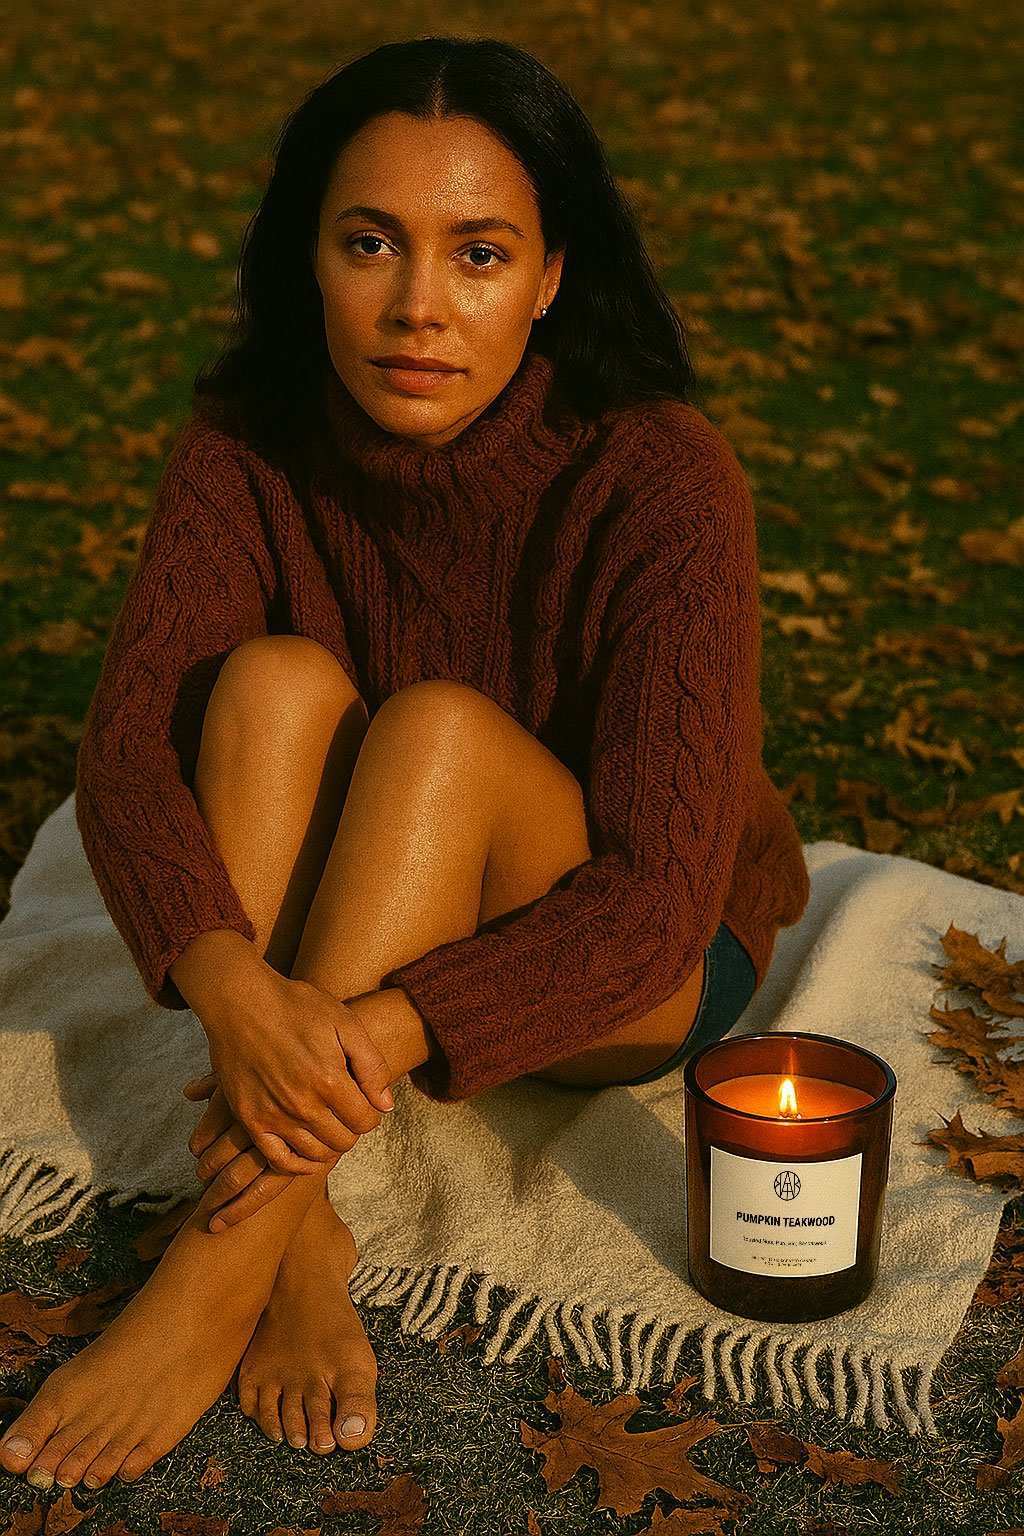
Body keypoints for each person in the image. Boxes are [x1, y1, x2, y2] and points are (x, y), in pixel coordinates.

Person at [0, 35, 810, 1495]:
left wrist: (357, 1039)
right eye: (370, 243)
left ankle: (227, 1249)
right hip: (364, 918)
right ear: (308, 252)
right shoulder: (245, 440)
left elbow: (655, 892)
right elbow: (121, 759)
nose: (418, 307)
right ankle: (303, 1234)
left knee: (434, 726)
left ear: (553, 275)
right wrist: (235, 989)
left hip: (636, 964)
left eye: (480, 254)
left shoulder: (662, 473)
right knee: (268, 679)